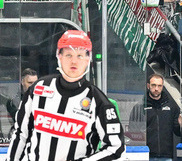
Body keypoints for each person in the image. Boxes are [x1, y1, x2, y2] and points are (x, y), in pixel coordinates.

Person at [7, 30, 124, 161]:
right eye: (68, 55)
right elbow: (21, 134)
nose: (74, 61)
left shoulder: (98, 101)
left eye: (80, 56)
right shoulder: (38, 89)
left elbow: (116, 148)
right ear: (59, 56)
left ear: (88, 59)